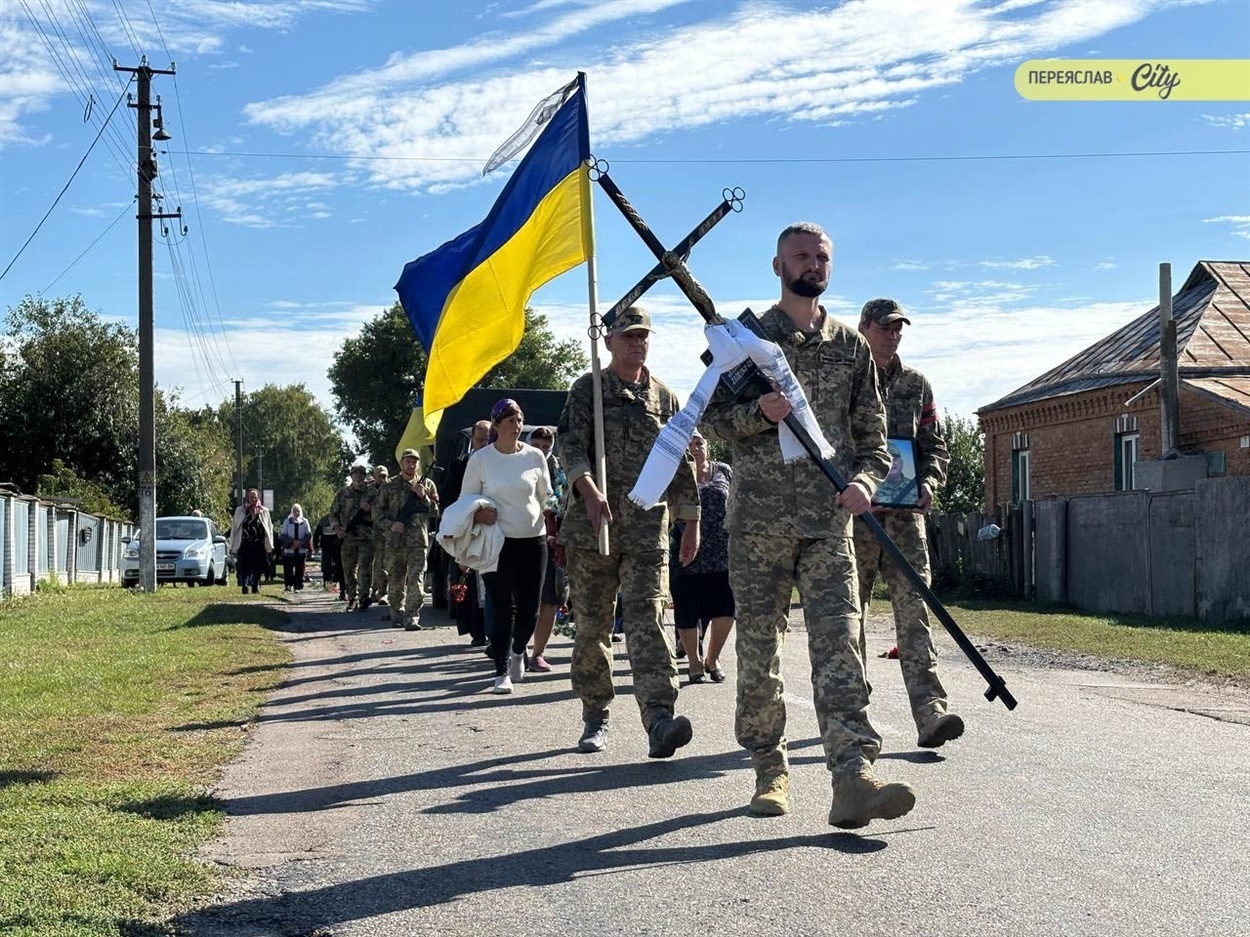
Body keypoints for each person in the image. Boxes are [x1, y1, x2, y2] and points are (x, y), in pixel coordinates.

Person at [703, 222, 915, 829]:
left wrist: (866, 484)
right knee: (759, 649)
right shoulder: (746, 339)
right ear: (777, 265)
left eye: (822, 256)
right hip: (759, 525)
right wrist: (756, 413)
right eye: (801, 254)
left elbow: (876, 442)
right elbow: (713, 421)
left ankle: (853, 777)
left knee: (841, 647)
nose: (812, 263)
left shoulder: (850, 347)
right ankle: (769, 767)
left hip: (829, 524)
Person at [558, 306, 701, 758]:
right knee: (593, 628)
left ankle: (659, 719)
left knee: (650, 625)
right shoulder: (588, 391)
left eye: (643, 337)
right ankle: (595, 715)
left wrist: (692, 521)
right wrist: (587, 489)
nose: (637, 344)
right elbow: (570, 445)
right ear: (610, 341)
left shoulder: (664, 398)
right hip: (592, 529)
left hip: (646, 532)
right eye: (628, 336)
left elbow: (678, 462)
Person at [854, 298, 963, 749]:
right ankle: (852, 708)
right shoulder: (845, 378)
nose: (893, 334)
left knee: (916, 615)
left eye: (899, 327)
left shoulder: (917, 384)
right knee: (847, 618)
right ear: (864, 328)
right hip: (855, 519)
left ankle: (930, 712)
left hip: (904, 522)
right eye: (885, 327)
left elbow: (933, 446)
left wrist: (931, 482)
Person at [461, 399, 553, 693]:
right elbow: (466, 502)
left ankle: (518, 650)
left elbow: (546, 496)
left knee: (530, 609)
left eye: (520, 420)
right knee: (503, 607)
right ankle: (501, 669)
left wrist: (555, 514)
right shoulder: (481, 460)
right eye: (511, 421)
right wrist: (478, 513)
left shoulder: (535, 457)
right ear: (497, 425)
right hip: (496, 542)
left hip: (533, 540)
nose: (517, 426)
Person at [670, 431, 735, 684]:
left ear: (708, 447)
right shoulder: (677, 473)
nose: (695, 448)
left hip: (722, 551)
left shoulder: (723, 470)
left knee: (725, 608)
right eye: (689, 445)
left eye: (699, 443)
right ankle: (694, 663)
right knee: (687, 609)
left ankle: (712, 658)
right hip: (686, 550)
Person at [375, 448, 439, 631]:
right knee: (395, 581)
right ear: (401, 463)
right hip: (396, 541)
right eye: (408, 461)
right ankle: (397, 612)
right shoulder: (389, 486)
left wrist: (423, 496)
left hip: (418, 541)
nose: (411, 465)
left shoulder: (427, 484)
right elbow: (376, 513)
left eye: (414, 462)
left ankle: (412, 617)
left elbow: (437, 511)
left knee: (416, 580)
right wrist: (391, 525)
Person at [441, 420, 491, 649]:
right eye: (480, 439)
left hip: (493, 532)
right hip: (468, 531)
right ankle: (478, 631)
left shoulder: (498, 463)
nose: (484, 443)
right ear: (472, 439)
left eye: (488, 439)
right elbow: (449, 501)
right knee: (470, 582)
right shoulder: (460, 465)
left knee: (493, 583)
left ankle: (495, 630)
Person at [527, 425, 566, 671]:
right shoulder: (515, 465)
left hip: (554, 541)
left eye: (546, 447)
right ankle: (517, 648)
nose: (542, 451)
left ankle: (538, 653)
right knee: (523, 600)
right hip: (523, 538)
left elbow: (568, 500)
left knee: (551, 598)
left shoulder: (561, 469)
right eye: (537, 446)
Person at [331, 465, 374, 611]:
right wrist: (337, 528)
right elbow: (333, 513)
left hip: (366, 537)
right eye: (355, 474)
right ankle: (352, 598)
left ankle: (364, 597)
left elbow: (383, 511)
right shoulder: (342, 493)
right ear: (351, 476)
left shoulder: (372, 493)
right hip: (348, 537)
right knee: (349, 570)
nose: (358, 476)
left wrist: (371, 509)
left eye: (361, 474)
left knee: (364, 569)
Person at [229, 488, 274, 594]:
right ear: (247, 498)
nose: (253, 499)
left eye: (255, 497)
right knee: (244, 567)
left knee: (258, 567)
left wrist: (270, 543)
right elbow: (235, 528)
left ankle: (255, 586)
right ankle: (244, 586)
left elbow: (269, 528)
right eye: (251, 497)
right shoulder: (240, 510)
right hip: (245, 544)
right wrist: (233, 543)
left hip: (259, 544)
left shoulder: (264, 511)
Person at [370, 464, 392, 607]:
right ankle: (376, 591)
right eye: (380, 476)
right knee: (376, 563)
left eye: (385, 476)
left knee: (386, 562)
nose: (383, 479)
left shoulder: (392, 488)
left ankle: (383, 592)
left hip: (390, 530)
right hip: (373, 532)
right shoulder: (369, 491)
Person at [280, 503, 313, 592]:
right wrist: (292, 542)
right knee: (288, 569)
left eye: (298, 511)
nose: (296, 513)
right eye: (295, 511)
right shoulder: (287, 521)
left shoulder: (304, 521)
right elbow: (283, 535)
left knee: (300, 569)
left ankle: (298, 586)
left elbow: (308, 535)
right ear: (292, 512)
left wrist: (300, 542)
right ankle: (288, 585)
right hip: (289, 550)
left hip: (301, 550)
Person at [313, 511, 344, 598]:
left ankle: (336, 583)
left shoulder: (340, 519)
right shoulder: (323, 520)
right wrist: (316, 545)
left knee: (338, 566)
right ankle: (327, 584)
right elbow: (317, 533)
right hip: (326, 547)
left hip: (337, 546)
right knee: (326, 566)